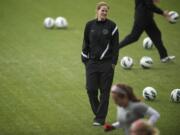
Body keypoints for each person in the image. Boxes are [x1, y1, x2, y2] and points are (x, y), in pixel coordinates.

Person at [81, 2, 119, 126]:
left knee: (104, 92)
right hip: (91, 63)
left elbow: (115, 47)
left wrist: (113, 63)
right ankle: (99, 113)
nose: (104, 13)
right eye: (102, 10)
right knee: (91, 90)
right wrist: (85, 59)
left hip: (107, 64)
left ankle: (99, 119)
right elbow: (85, 42)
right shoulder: (89, 25)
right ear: (97, 11)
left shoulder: (112, 26)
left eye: (106, 11)